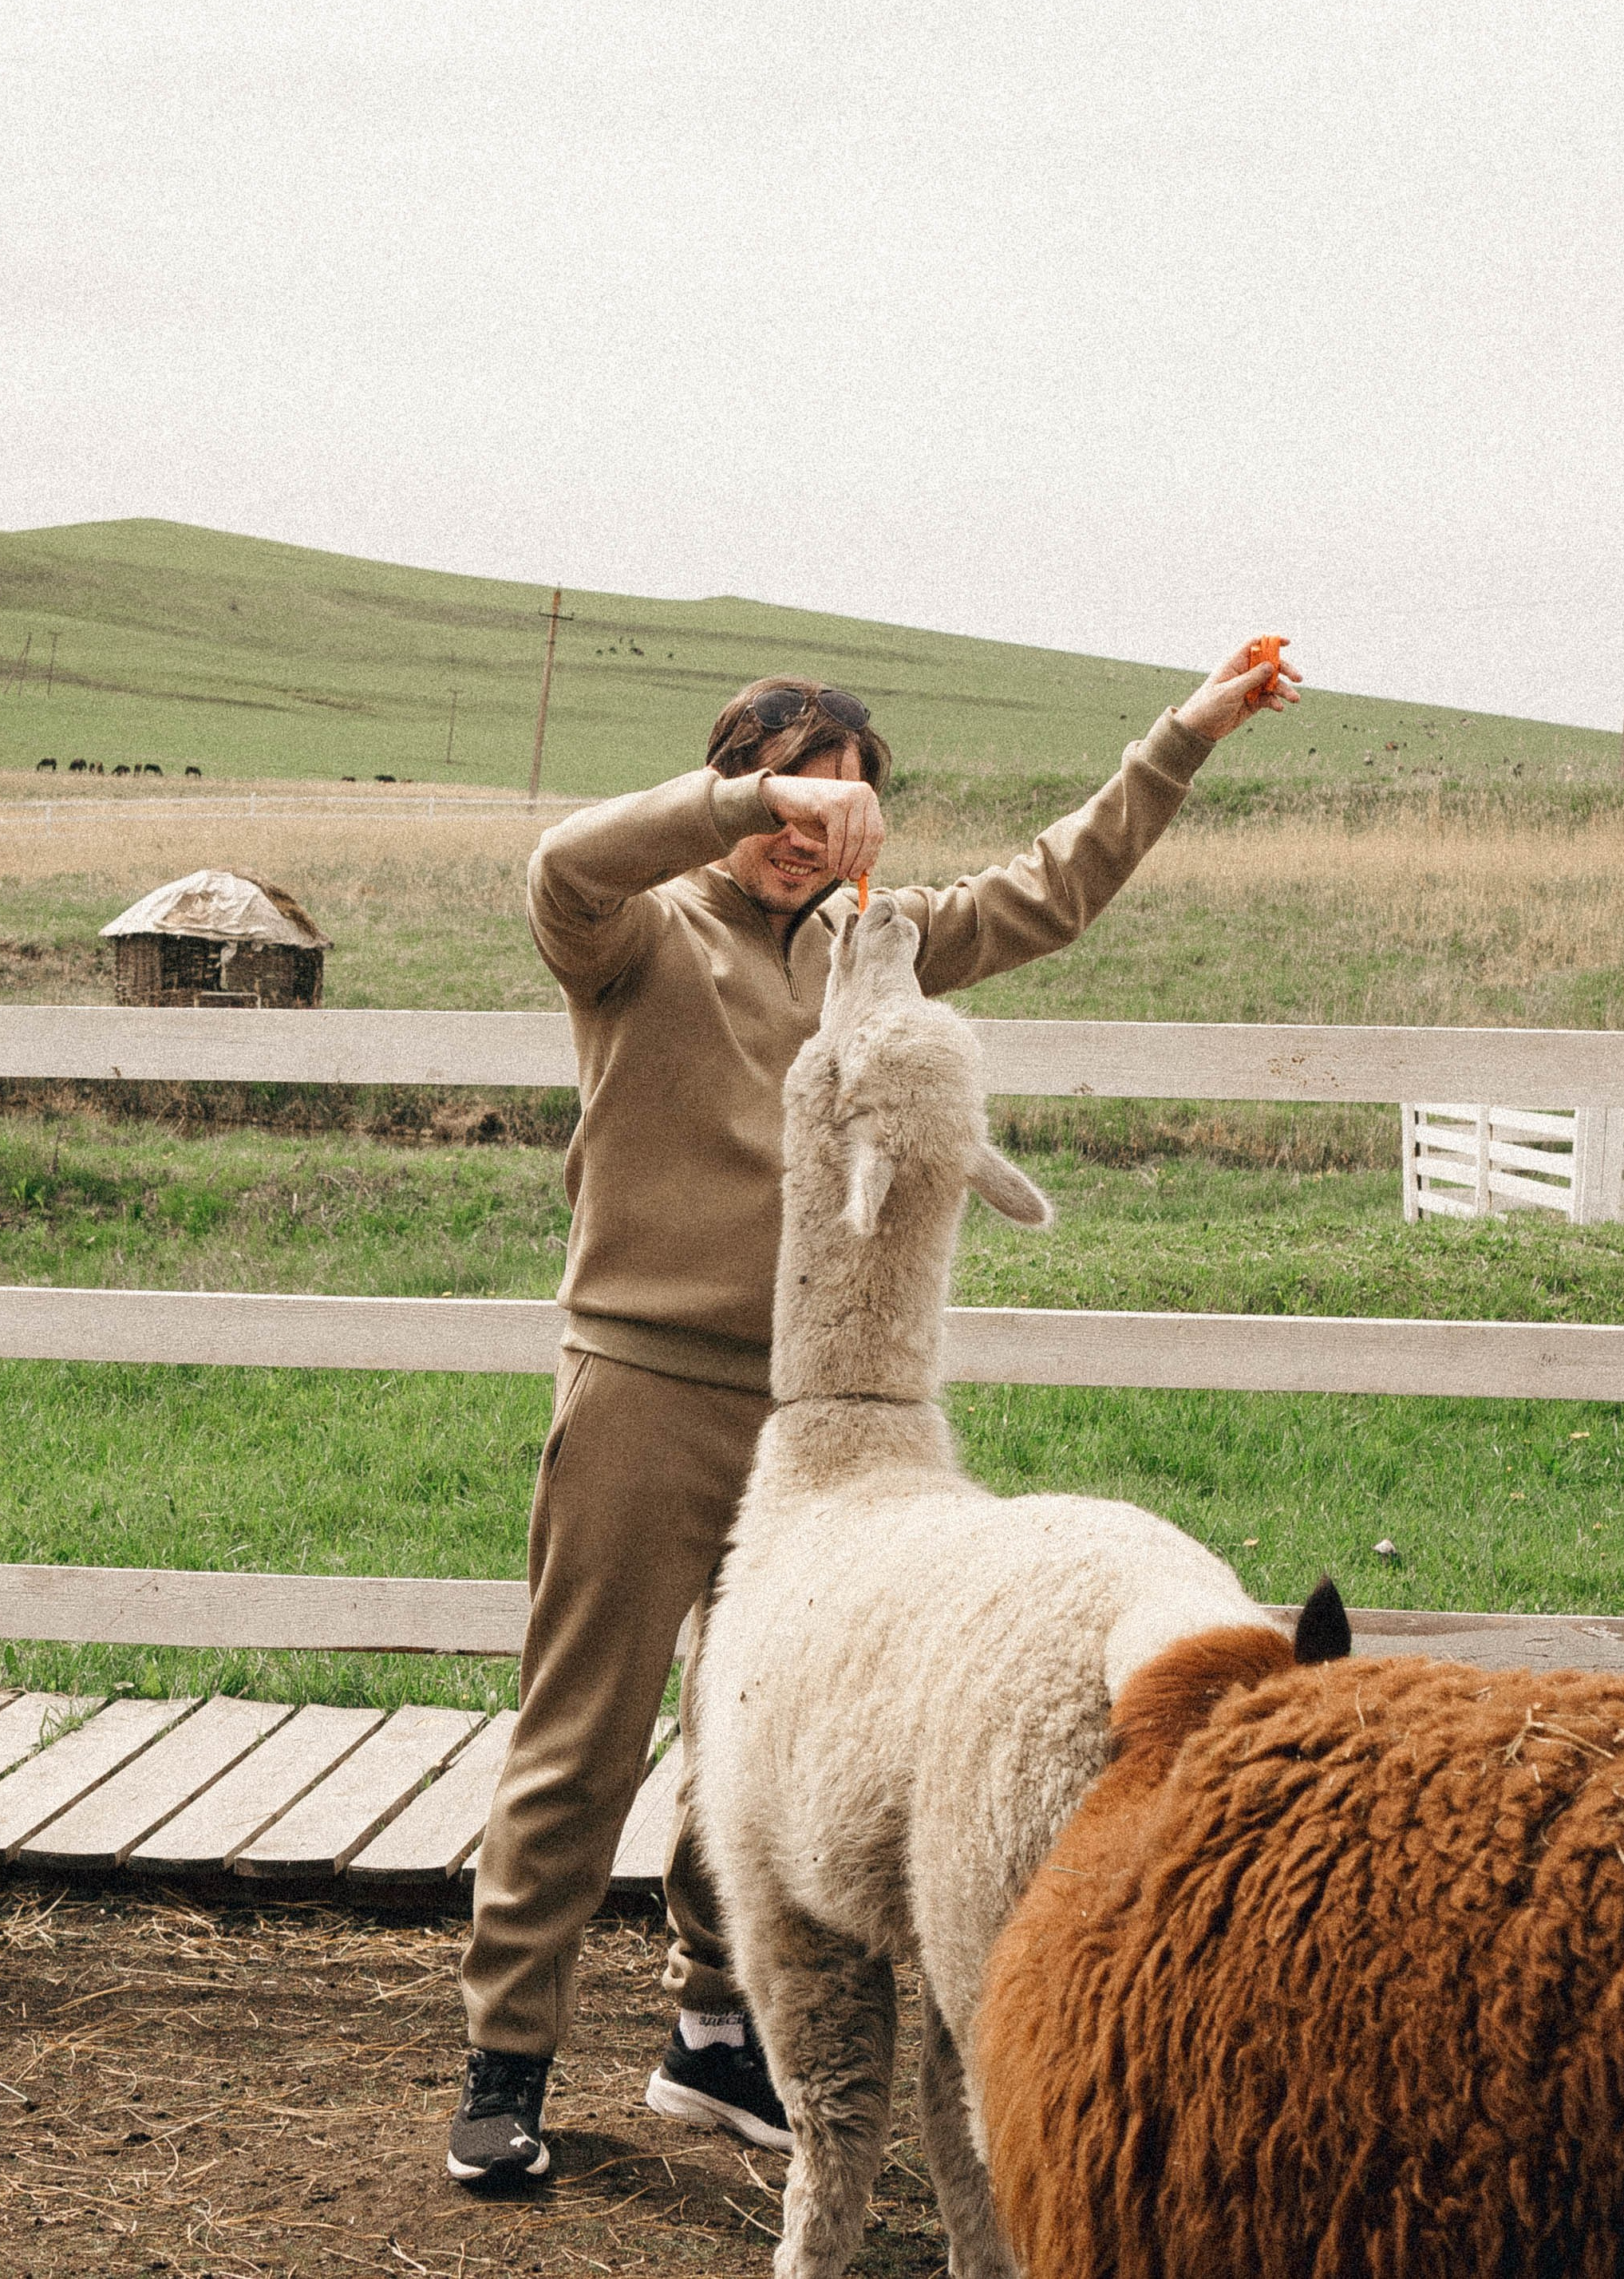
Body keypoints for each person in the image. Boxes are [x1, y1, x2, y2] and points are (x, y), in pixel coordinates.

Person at [445, 640, 1301, 2186]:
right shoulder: (631, 934)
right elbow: (566, 854)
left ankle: (716, 2037)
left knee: (757, 1736)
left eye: (846, 803)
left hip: (825, 1424)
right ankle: (506, 2061)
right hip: (648, 1386)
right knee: (586, 1731)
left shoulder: (880, 950)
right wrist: (735, 803)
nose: (815, 831)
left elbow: (1059, 886)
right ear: (732, 795)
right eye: (788, 799)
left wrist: (1185, 733)